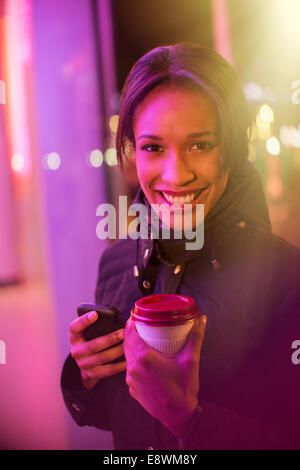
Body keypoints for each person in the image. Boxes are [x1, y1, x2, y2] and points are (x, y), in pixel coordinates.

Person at [60, 42, 300, 450]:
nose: (177, 174)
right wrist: (85, 378)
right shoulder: (117, 263)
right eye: (153, 147)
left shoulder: (285, 278)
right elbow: (118, 418)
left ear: (231, 149)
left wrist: (188, 420)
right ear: (133, 151)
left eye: (199, 145)